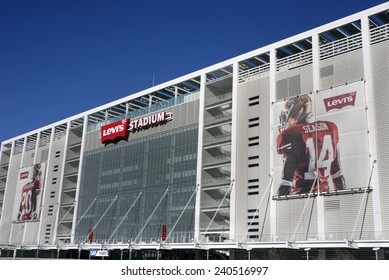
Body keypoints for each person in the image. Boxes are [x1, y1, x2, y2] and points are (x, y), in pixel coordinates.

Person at [276, 95, 346, 196]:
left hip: (300, 196)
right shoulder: (330, 128)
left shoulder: (291, 134)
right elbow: (337, 174)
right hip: (323, 194)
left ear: (295, 112)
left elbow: (286, 183)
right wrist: (343, 197)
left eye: (287, 113)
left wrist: (280, 202)